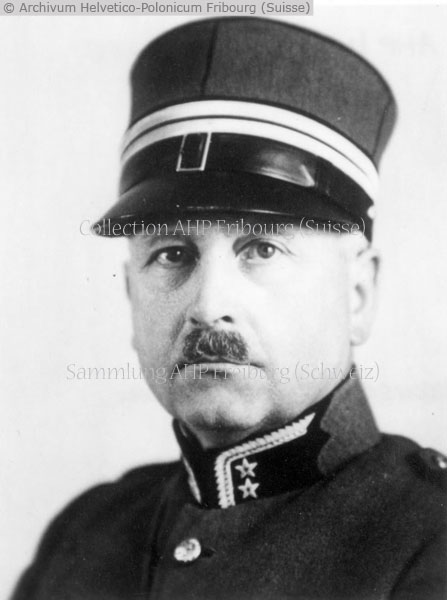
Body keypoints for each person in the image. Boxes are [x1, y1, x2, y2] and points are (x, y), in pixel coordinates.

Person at [12, 17, 446, 600]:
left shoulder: (429, 540)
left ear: (358, 293)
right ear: (130, 294)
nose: (208, 305)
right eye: (171, 254)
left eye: (262, 249)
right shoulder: (84, 536)